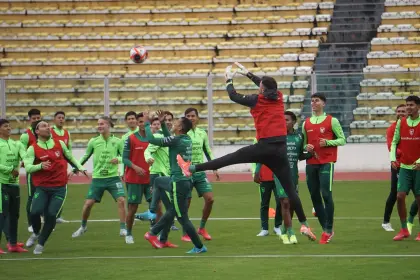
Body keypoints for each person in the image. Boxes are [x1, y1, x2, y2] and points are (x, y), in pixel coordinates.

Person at [177, 62, 316, 241]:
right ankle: (304, 224)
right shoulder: (279, 97)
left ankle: (191, 168)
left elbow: (233, 96)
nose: (259, 88)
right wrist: (248, 74)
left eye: (260, 87)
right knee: (291, 190)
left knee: (230, 158)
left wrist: (228, 80)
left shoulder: (257, 99)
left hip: (264, 147)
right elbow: (264, 84)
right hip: (280, 150)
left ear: (262, 90)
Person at [143, 110, 207, 253]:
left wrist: (147, 123)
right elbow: (169, 138)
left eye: (176, 122)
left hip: (178, 182)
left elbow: (152, 140)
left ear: (180, 128)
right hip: (184, 181)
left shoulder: (177, 140)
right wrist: (163, 125)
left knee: (182, 217)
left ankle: (199, 246)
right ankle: (152, 227)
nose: (173, 123)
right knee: (160, 183)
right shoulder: (186, 139)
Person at [24, 120, 85, 254]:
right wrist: (40, 166)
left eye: (48, 125)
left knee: (51, 215)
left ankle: (40, 243)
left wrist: (80, 167)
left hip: (59, 186)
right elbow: (28, 167)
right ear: (37, 131)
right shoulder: (33, 148)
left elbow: (70, 157)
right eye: (44, 126)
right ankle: (35, 233)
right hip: (42, 187)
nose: (48, 127)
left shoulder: (60, 144)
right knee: (34, 212)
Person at [71, 117, 126, 238]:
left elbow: (125, 157)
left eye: (102, 124)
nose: (99, 126)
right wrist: (76, 167)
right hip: (98, 178)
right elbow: (85, 155)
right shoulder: (94, 141)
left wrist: (119, 159)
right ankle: (83, 227)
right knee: (88, 204)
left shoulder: (118, 141)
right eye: (98, 124)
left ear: (108, 125)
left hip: (113, 178)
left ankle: (123, 228)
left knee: (121, 200)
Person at [302, 93, 346, 244]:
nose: (314, 103)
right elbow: (303, 143)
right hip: (311, 163)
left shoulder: (332, 120)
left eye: (317, 101)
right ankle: (326, 228)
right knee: (314, 196)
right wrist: (305, 147)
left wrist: (328, 142)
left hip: (327, 162)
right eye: (312, 101)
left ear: (323, 103)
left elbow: (342, 140)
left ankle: (328, 230)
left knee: (326, 194)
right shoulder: (306, 123)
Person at [182, 107, 219, 241]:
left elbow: (207, 150)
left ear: (197, 118)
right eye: (188, 116)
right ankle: (185, 232)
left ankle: (202, 228)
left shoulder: (202, 133)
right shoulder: (181, 133)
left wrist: (215, 166)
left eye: (193, 116)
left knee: (210, 199)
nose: (191, 118)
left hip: (200, 171)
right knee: (186, 202)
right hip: (186, 173)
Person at [390, 95, 420, 241]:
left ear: (418, 107)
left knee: (419, 199)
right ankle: (404, 230)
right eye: (407, 105)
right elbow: (395, 142)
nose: (408, 107)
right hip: (405, 168)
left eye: (412, 105)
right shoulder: (401, 123)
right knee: (400, 196)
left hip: (419, 168)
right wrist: (392, 159)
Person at [122, 113, 151, 244]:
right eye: (141, 122)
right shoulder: (131, 139)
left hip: (150, 178)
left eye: (145, 122)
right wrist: (136, 167)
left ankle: (154, 232)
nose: (143, 124)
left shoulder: (153, 138)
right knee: (133, 207)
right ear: (138, 123)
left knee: (156, 206)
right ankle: (128, 233)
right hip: (134, 179)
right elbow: (125, 159)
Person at [0, 119, 28, 253]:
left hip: (14, 184)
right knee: (2, 215)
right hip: (2, 184)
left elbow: (25, 156)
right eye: (6, 126)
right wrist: (10, 169)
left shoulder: (16, 144)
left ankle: (12, 244)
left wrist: (27, 162)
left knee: (14, 215)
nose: (9, 128)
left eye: (9, 126)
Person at [382, 104, 407, 231]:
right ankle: (386, 221)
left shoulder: (411, 127)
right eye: (399, 111)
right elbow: (392, 147)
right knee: (395, 193)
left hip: (413, 165)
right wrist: (406, 153)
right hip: (398, 164)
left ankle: (411, 220)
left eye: (403, 111)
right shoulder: (392, 128)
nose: (401, 113)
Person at [20, 108, 41, 233]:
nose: (36, 120)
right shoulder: (25, 135)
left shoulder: (45, 133)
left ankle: (41, 219)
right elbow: (22, 151)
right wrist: (25, 160)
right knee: (31, 196)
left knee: (44, 195)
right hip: (32, 171)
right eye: (34, 119)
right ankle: (30, 223)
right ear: (29, 120)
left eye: (38, 118)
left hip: (44, 170)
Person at [50, 111, 72, 224]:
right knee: (49, 189)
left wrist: (73, 165)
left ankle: (58, 215)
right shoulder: (50, 131)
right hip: (51, 166)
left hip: (62, 166)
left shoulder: (67, 133)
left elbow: (69, 150)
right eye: (59, 117)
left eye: (63, 118)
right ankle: (47, 214)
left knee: (62, 190)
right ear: (54, 119)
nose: (61, 119)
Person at [120, 111, 138, 177]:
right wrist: (123, 172)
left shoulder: (143, 132)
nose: (131, 121)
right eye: (129, 119)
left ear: (136, 120)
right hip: (130, 168)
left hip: (144, 166)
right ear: (126, 121)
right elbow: (124, 156)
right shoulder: (124, 137)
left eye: (133, 118)